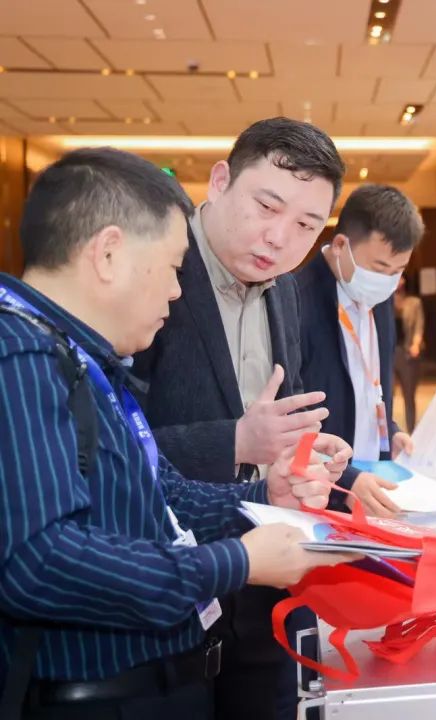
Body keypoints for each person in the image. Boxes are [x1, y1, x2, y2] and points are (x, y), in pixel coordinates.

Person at [0, 147, 353, 720]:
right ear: (108, 254)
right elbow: (39, 562)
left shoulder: (80, 358)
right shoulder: (20, 357)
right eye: (170, 268)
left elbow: (159, 496)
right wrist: (236, 562)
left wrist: (265, 497)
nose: (174, 290)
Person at [129, 118, 371, 719]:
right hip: (169, 594)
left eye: (307, 226)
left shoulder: (284, 287)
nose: (280, 238)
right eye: (267, 206)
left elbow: (279, 407)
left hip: (268, 585)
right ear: (220, 181)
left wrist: (309, 452)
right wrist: (234, 441)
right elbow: (105, 443)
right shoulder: (152, 270)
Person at [297, 184, 424, 517]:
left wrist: (390, 433)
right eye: (380, 269)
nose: (387, 281)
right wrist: (347, 478)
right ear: (341, 246)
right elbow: (291, 416)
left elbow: (372, 383)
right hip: (320, 493)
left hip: (373, 483)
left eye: (397, 272)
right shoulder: (295, 300)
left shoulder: (378, 299)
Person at [394, 274, 425, 433]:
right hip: (389, 354)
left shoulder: (414, 303)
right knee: (385, 396)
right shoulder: (382, 302)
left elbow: (419, 326)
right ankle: (388, 432)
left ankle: (412, 431)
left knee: (409, 395)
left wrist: (416, 344)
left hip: (407, 354)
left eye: (400, 277)